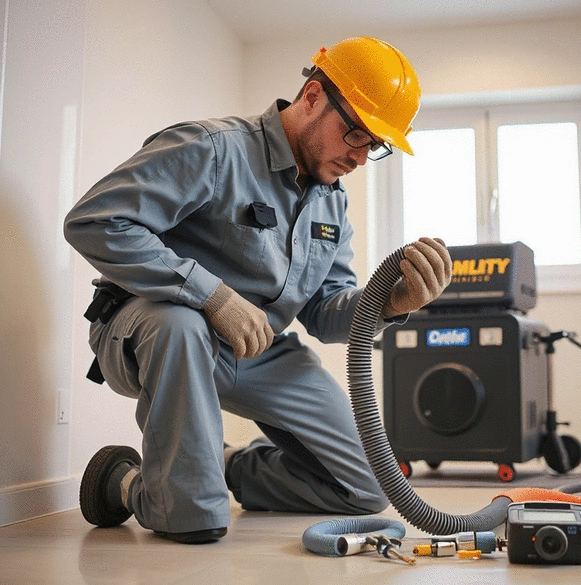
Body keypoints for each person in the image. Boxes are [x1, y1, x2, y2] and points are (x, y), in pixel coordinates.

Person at [64, 37, 452, 545]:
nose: (358, 157)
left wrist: (394, 301)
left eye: (373, 147)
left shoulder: (330, 204)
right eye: (354, 133)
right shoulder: (211, 148)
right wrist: (210, 295)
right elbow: (94, 220)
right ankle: (133, 486)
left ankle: (221, 465)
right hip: (155, 331)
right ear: (313, 96)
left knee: (365, 487)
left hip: (255, 350)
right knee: (194, 512)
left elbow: (326, 316)